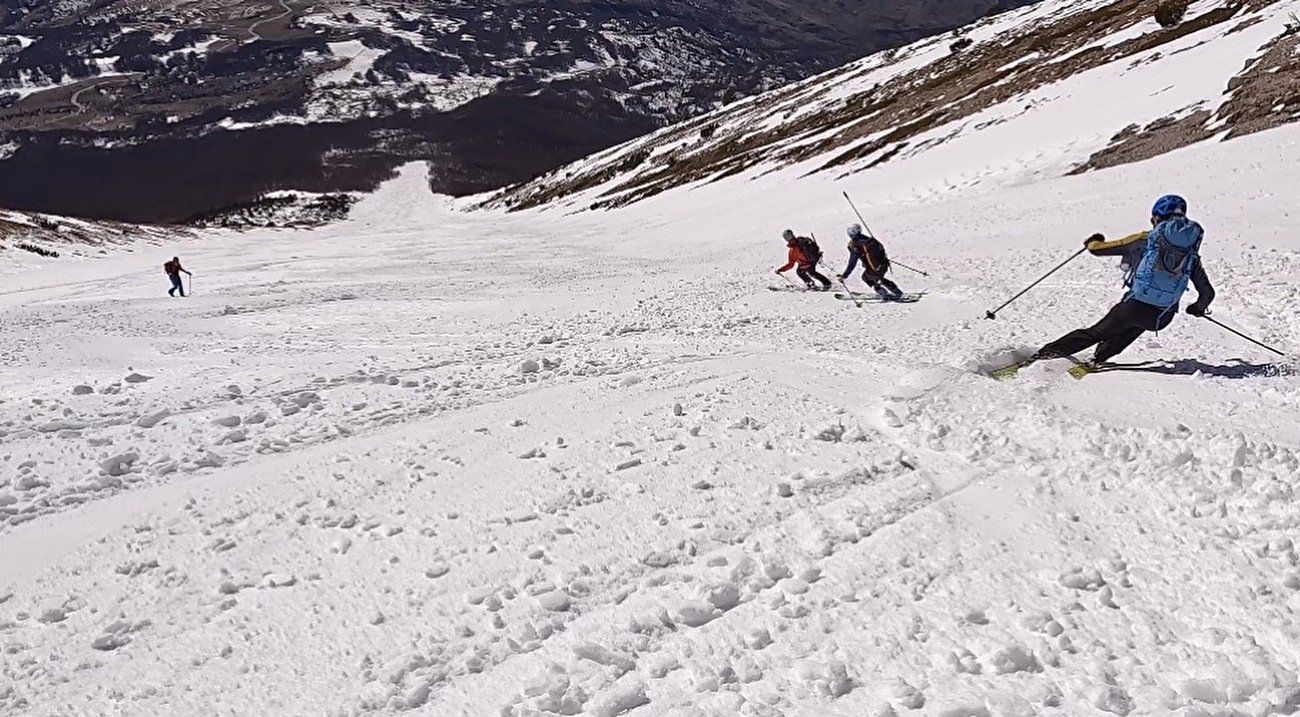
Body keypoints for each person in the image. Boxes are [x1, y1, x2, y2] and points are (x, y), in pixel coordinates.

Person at [1034, 194, 1215, 366]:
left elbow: (1098, 249)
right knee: (1134, 325)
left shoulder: (1147, 239)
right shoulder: (1190, 254)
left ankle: (1043, 356)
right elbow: (1207, 293)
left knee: (1097, 332)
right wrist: (1197, 308)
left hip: (1133, 306)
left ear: (1157, 218)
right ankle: (1100, 356)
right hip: (1161, 317)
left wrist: (1093, 241)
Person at [838, 224, 903, 300]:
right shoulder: (869, 239)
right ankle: (897, 291)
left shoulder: (855, 245)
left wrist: (844, 276)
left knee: (866, 277)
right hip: (884, 265)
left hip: (874, 269)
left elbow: (852, 263)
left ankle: (883, 293)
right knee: (879, 278)